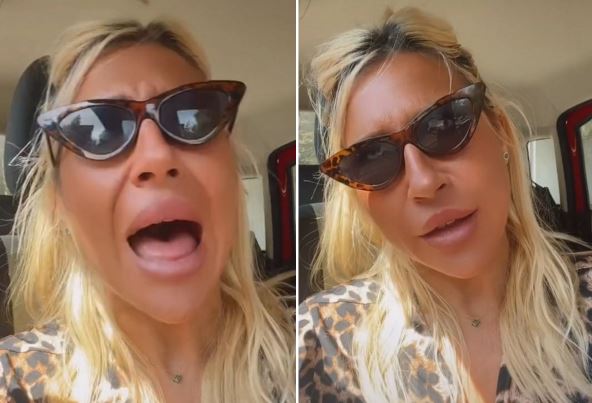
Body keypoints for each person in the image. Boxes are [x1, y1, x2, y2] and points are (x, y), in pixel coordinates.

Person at [299, 7, 592, 403]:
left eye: (444, 124)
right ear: (357, 198)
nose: (424, 182)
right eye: (371, 158)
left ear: (502, 135)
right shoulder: (322, 343)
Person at [0, 19, 294, 402]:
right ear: (59, 203)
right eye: (99, 130)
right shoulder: (14, 380)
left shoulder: (312, 352)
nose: (157, 155)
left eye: (193, 118)